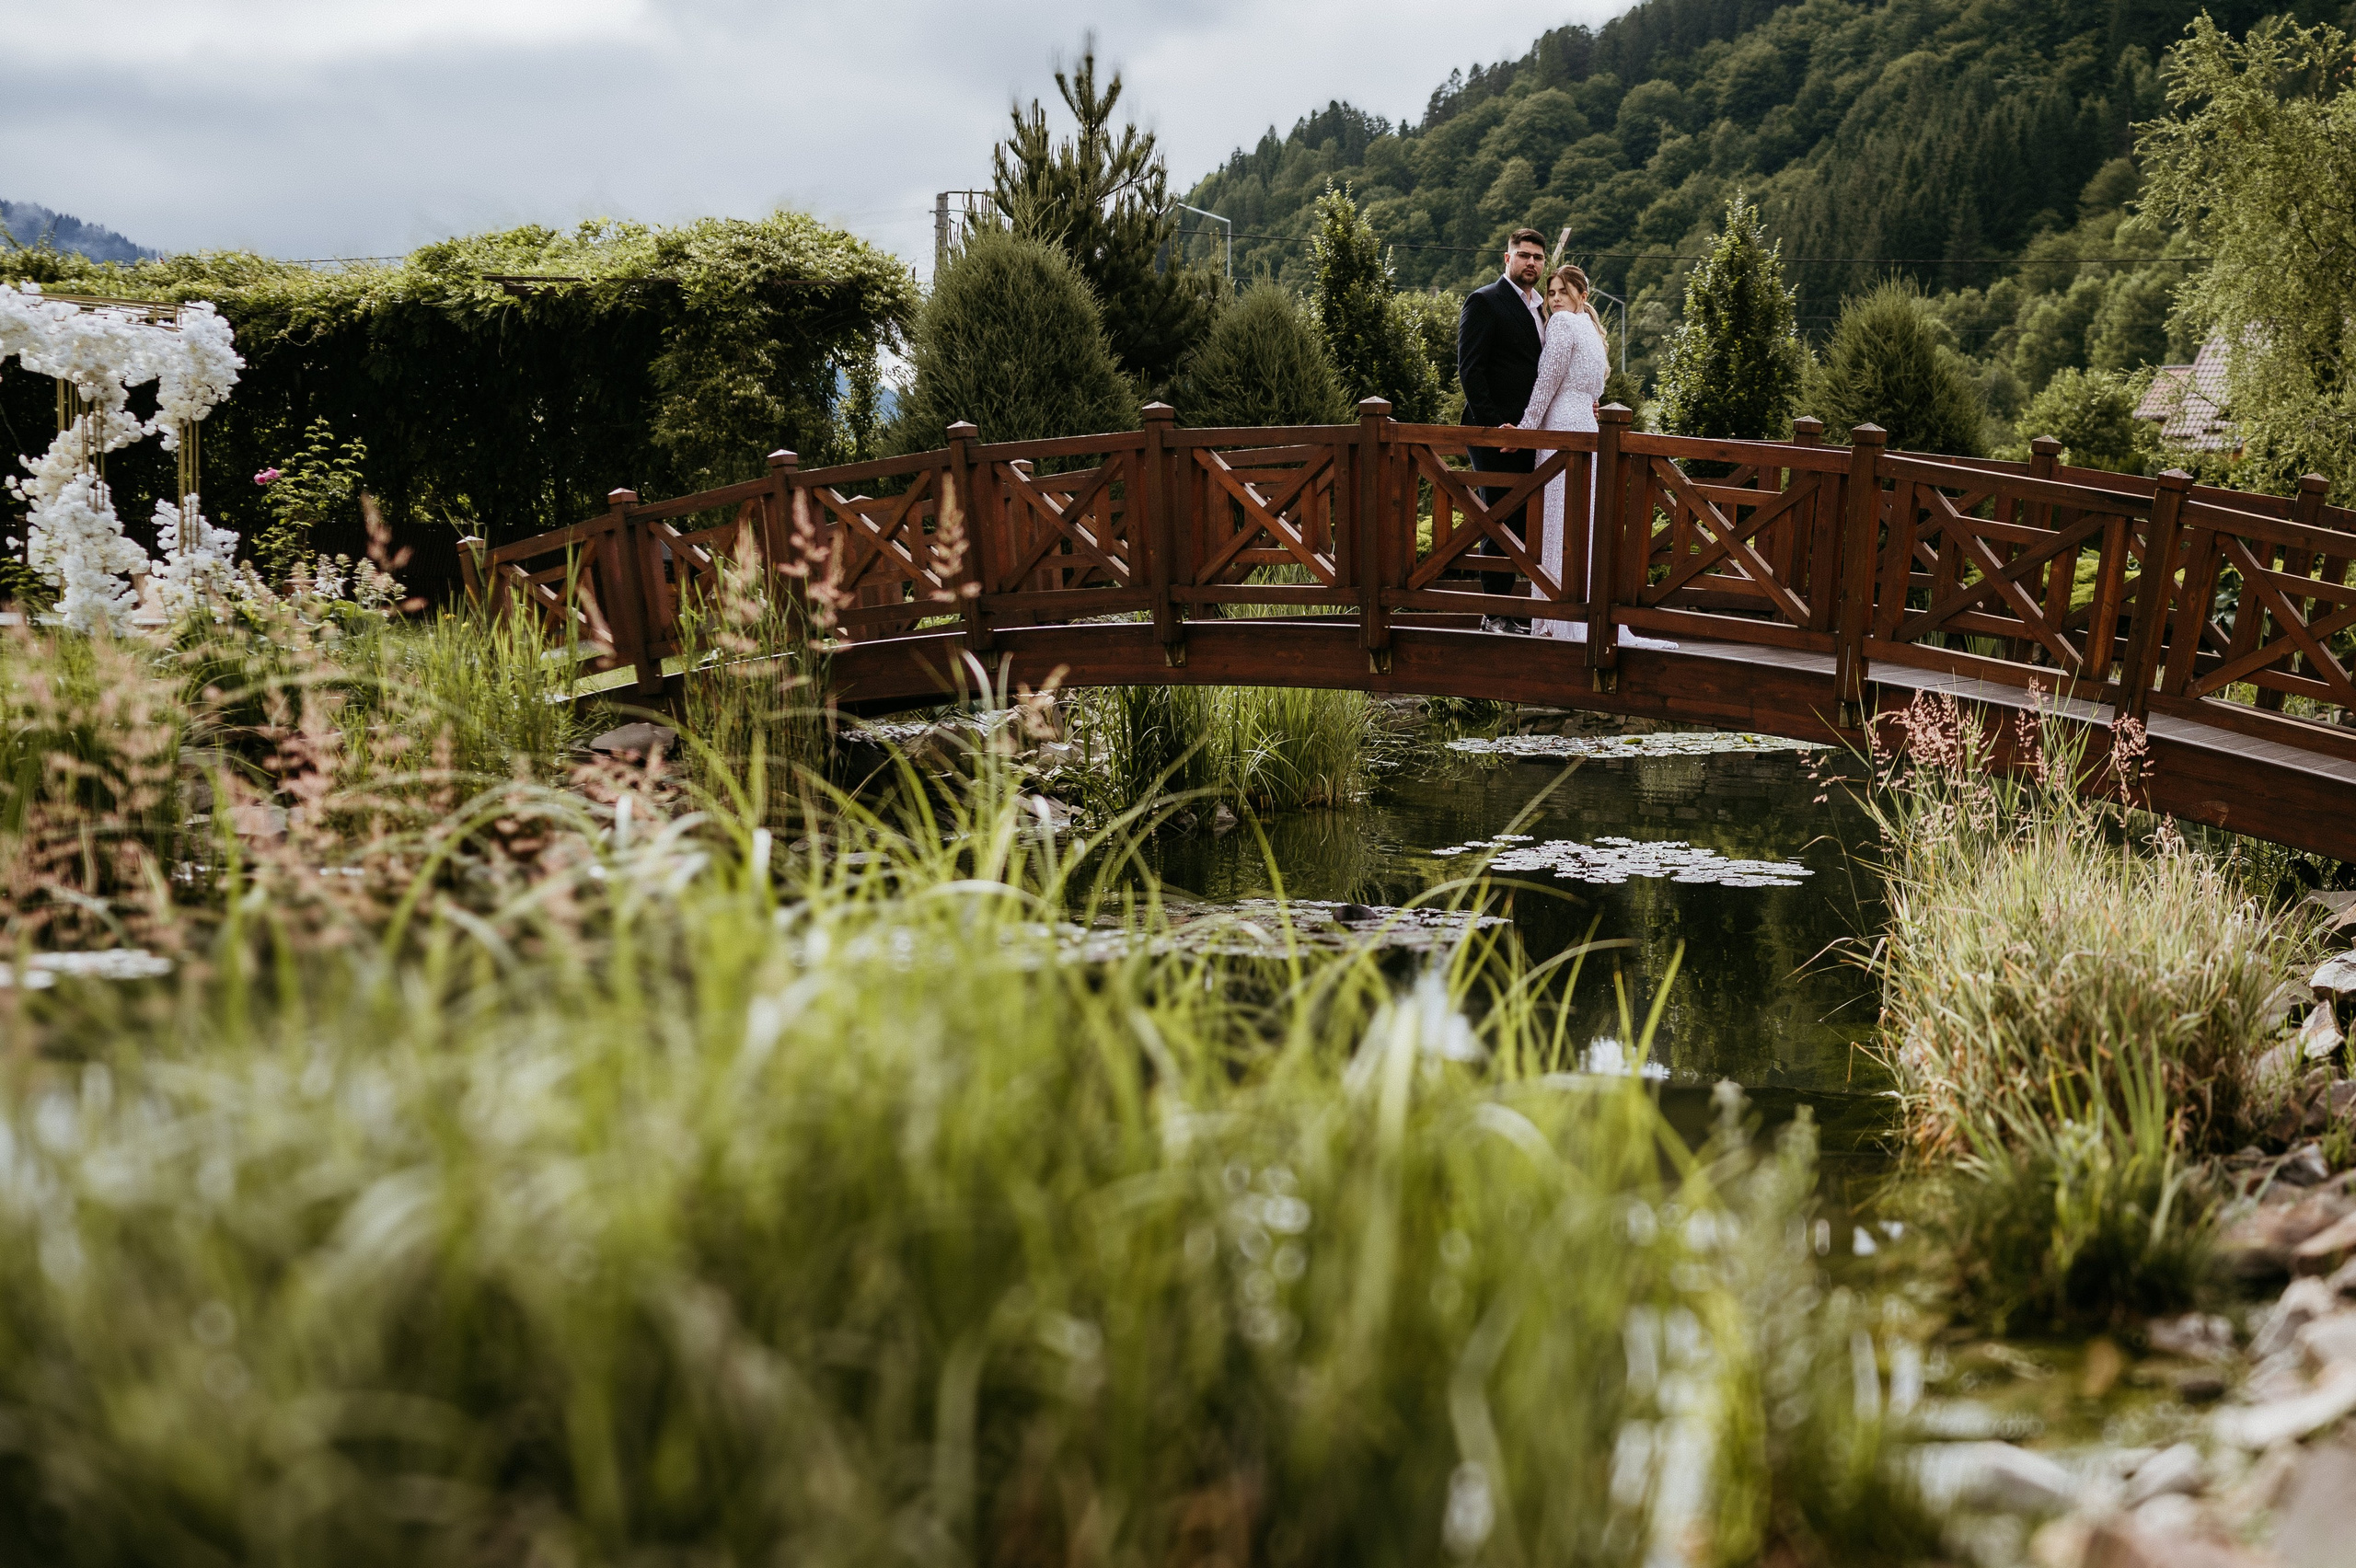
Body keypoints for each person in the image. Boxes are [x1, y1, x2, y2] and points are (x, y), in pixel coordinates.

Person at [1519, 263, 1676, 651]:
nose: (1554, 299)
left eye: (1562, 292)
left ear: (1581, 296)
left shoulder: (1562, 326)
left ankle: (1559, 615)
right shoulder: (1592, 331)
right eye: (1551, 292)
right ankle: (1586, 608)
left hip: (1561, 430)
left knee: (1559, 520)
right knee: (1582, 521)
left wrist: (1525, 429)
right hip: (1588, 428)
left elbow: (1546, 383)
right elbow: (1593, 391)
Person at [1456, 228, 1549, 634]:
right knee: (1499, 518)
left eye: (1538, 258)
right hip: (1495, 431)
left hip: (1532, 431)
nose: (1531, 263)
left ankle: (1513, 612)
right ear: (1506, 259)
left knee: (1528, 520)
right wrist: (1496, 428)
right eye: (1523, 255)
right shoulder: (1484, 301)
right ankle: (1493, 614)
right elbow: (1470, 370)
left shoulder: (1545, 309)